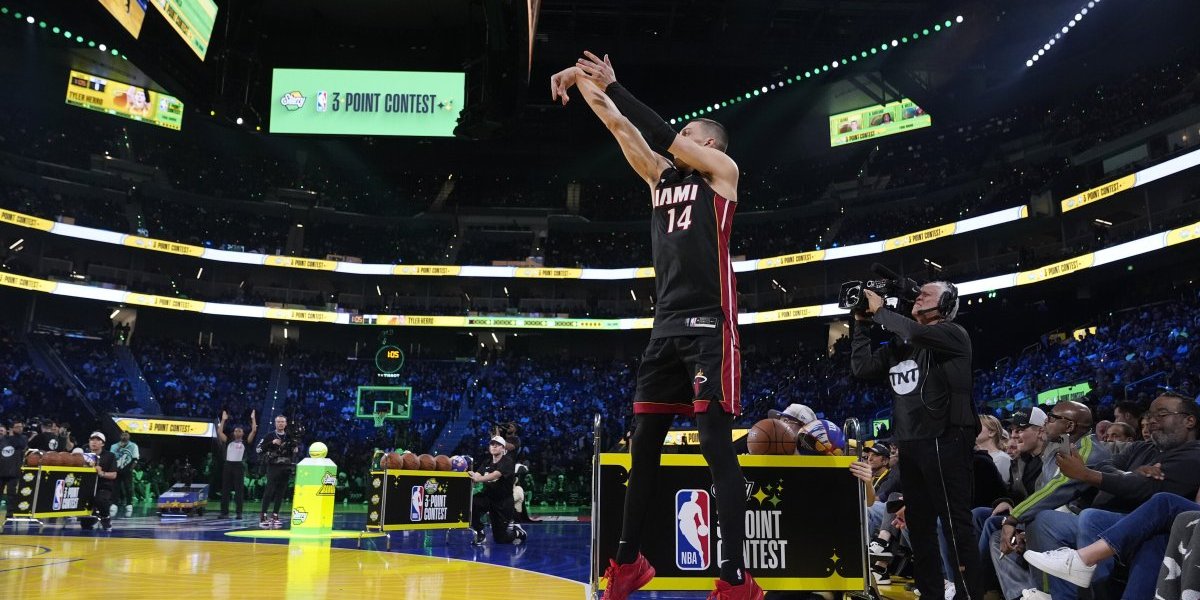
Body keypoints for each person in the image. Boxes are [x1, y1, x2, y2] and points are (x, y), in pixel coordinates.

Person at [551, 51, 761, 600]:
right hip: (665, 327)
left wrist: (615, 84)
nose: (679, 138)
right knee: (643, 443)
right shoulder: (659, 179)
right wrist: (583, 81)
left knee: (715, 446)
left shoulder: (723, 175)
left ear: (709, 145)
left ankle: (736, 578)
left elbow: (660, 132)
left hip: (710, 326)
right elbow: (620, 126)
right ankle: (627, 563)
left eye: (691, 134)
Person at [850, 283, 981, 600]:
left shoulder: (953, 333)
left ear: (946, 303)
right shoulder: (902, 343)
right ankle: (931, 593)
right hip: (910, 443)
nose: (919, 296)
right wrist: (862, 324)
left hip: (946, 437)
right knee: (919, 527)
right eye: (918, 293)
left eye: (927, 294)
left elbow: (916, 333)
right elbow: (862, 367)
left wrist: (880, 311)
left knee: (954, 524)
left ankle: (969, 595)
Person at [1018, 391, 1200, 600]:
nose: (1152, 421)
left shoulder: (1194, 454)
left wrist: (1091, 474)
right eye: (1150, 415)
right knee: (1045, 520)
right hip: (1111, 520)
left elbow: (1144, 488)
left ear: (1189, 421)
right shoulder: (1142, 447)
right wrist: (1130, 474)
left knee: (1092, 518)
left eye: (1162, 414)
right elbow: (1106, 465)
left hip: (1138, 525)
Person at [991, 401, 1110, 600]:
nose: (1046, 422)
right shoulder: (1058, 448)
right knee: (1001, 534)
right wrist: (1020, 527)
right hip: (1063, 516)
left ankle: (1048, 594)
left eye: (1052, 418)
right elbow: (1044, 490)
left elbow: (1057, 489)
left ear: (1069, 426)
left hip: (1088, 521)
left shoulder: (1088, 449)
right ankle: (1021, 593)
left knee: (1041, 521)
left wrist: (1014, 518)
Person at [469, 435, 528, 546]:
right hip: (488, 497)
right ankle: (480, 532)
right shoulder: (487, 462)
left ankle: (518, 533)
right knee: (471, 503)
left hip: (503, 502)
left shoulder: (507, 462)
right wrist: (473, 475)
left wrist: (478, 479)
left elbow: (495, 475)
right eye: (492, 444)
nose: (494, 446)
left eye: (498, 445)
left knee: (501, 539)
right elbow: (478, 474)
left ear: (503, 448)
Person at [255, 414, 298, 528]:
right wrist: (271, 443)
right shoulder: (269, 435)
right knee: (269, 491)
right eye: (278, 422)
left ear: (286, 423)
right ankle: (263, 516)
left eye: (282, 422)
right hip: (273, 466)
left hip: (286, 466)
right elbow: (258, 449)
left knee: (281, 492)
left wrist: (295, 449)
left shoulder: (290, 436)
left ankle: (275, 515)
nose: (280, 424)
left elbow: (294, 451)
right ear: (275, 423)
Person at [218, 409, 256, 519]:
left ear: (243, 433)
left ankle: (239, 513)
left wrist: (253, 418)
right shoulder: (228, 441)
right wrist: (223, 420)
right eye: (236, 431)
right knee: (225, 490)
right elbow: (220, 432)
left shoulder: (246, 442)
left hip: (238, 466)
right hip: (228, 465)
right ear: (233, 433)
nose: (238, 432)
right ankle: (224, 512)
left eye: (240, 431)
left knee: (239, 490)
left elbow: (254, 431)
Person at [80, 432, 118, 531]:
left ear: (103, 443)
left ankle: (106, 518)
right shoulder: (83, 455)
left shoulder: (110, 456)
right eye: (92, 439)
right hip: (87, 486)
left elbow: (114, 475)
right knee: (85, 525)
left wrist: (101, 473)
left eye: (98, 440)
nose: (94, 442)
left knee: (100, 499)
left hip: (103, 486)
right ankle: (91, 515)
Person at [110, 431, 139, 518]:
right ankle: (114, 504)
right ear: (120, 436)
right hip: (117, 470)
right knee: (115, 487)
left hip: (127, 470)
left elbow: (135, 459)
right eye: (123, 434)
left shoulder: (133, 446)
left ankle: (129, 505)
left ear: (129, 436)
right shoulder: (114, 446)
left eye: (126, 435)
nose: (124, 436)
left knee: (128, 488)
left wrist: (130, 469)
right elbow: (112, 458)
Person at [0, 421, 27, 513]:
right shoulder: (3, 439)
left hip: (13, 471)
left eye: (21, 427)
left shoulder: (22, 439)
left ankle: (10, 513)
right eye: (18, 427)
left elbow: (21, 445)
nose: (20, 428)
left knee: (11, 493)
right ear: (11, 428)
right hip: (2, 470)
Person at [977, 415, 1011, 484]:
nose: (974, 429)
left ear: (991, 432)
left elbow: (997, 486)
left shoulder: (1001, 458)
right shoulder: (973, 456)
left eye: (978, 426)